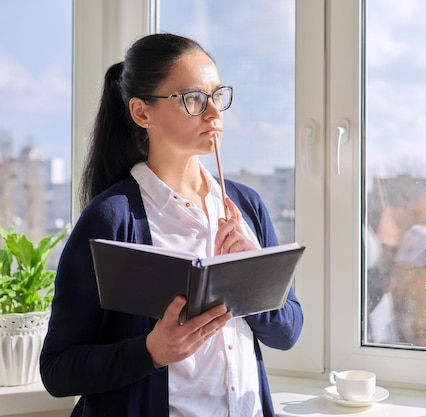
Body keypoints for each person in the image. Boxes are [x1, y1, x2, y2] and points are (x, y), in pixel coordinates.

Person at [40, 33, 304, 417]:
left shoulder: (247, 205)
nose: (214, 112)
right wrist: (150, 352)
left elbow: (288, 332)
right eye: (193, 99)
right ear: (142, 113)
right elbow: (58, 370)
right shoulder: (111, 218)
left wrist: (253, 277)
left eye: (218, 95)